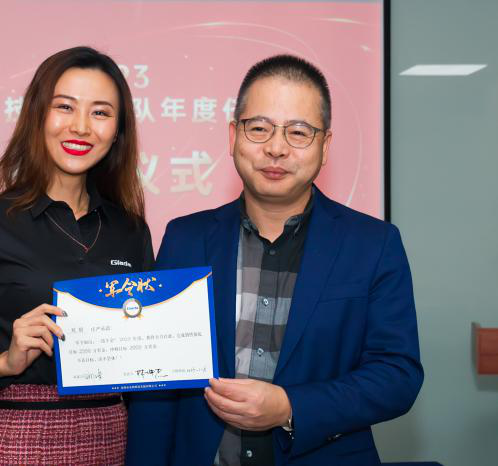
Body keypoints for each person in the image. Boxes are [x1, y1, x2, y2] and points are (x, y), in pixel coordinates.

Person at [126, 55, 423, 466]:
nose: (276, 148)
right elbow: (156, 384)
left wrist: (290, 407)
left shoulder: (374, 244)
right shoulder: (185, 238)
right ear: (234, 136)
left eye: (298, 132)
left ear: (325, 145)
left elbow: (397, 375)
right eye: (259, 128)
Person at [0, 46, 153, 466]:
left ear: (118, 131)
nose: (81, 126)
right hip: (21, 437)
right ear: (37, 115)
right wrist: (3, 361)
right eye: (64, 107)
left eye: (100, 112)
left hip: (116, 439)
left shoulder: (131, 230)